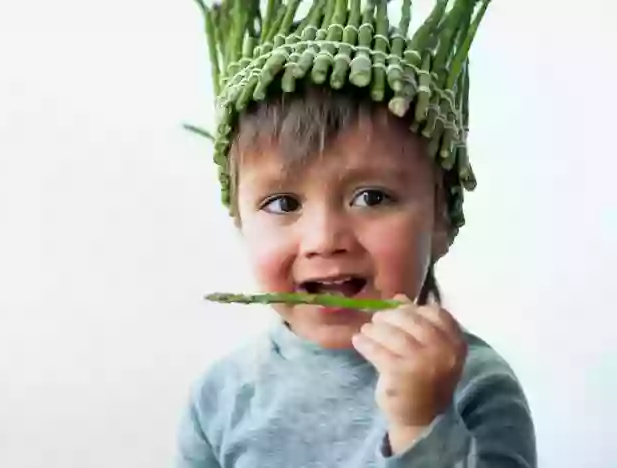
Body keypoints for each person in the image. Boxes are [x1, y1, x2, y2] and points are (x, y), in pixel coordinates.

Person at [176, 1, 537, 466]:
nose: (325, 239)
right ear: (241, 224)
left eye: (372, 198)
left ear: (442, 222)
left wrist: (422, 424)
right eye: (283, 203)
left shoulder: (475, 388)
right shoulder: (218, 398)